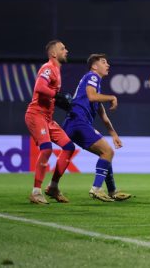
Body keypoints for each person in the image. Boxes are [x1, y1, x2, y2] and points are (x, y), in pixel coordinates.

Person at [62, 54, 131, 202]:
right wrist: (112, 97)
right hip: (78, 122)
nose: (108, 65)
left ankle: (112, 190)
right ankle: (96, 188)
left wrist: (114, 134)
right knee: (107, 152)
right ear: (94, 66)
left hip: (73, 123)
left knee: (105, 153)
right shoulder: (93, 76)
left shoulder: (94, 85)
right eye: (104, 62)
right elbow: (92, 96)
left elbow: (103, 115)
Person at [24, 40, 76, 204]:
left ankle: (53, 187)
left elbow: (49, 95)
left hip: (47, 118)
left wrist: (62, 103)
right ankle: (36, 192)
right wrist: (58, 95)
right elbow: (39, 87)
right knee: (46, 150)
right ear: (54, 53)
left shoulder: (57, 71)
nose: (66, 51)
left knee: (69, 147)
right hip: (36, 115)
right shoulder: (48, 68)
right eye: (63, 48)